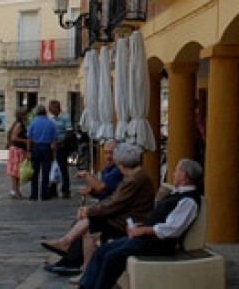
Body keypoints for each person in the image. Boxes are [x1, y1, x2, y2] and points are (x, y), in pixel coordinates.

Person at [72, 158, 203, 289]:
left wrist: (143, 230)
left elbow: (172, 228)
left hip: (158, 244)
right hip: (147, 238)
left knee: (112, 257)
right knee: (102, 250)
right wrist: (141, 227)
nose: (174, 174)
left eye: (177, 171)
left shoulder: (188, 201)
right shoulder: (178, 194)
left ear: (184, 176)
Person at [41, 142, 155, 276]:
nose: (109, 157)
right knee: (89, 222)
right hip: (125, 216)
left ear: (120, 162)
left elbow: (114, 202)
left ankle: (82, 265)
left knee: (90, 225)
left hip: (130, 221)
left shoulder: (133, 179)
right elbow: (113, 198)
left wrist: (89, 210)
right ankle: (71, 252)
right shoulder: (134, 176)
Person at [27, 105, 58, 201]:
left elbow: (29, 138)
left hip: (35, 147)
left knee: (35, 173)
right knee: (45, 172)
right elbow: (54, 140)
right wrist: (54, 153)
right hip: (46, 148)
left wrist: (28, 151)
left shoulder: (32, 123)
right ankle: (44, 194)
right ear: (45, 113)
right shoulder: (50, 123)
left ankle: (34, 195)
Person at [49, 100, 73, 199]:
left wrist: (62, 142)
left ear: (57, 107)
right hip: (53, 146)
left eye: (51, 108)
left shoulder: (65, 117)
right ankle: (53, 189)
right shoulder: (51, 119)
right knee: (54, 167)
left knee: (63, 167)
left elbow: (69, 131)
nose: (50, 110)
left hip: (62, 145)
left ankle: (65, 190)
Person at [6, 108, 31, 199]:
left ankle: (16, 190)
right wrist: (25, 141)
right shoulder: (19, 125)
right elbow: (14, 138)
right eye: (27, 114)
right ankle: (15, 190)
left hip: (16, 149)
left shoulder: (20, 124)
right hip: (17, 149)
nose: (28, 116)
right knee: (16, 170)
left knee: (16, 171)